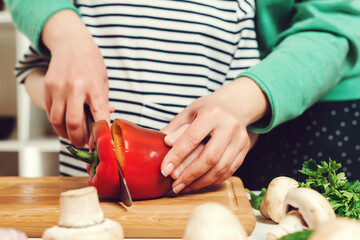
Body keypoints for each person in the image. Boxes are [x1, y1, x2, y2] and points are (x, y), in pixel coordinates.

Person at [5, 0, 360, 191]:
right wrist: (58, 103)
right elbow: (34, 70)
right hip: (84, 188)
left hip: (188, 190)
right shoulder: (83, 9)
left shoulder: (234, 10)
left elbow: (245, 117)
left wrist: (234, 142)